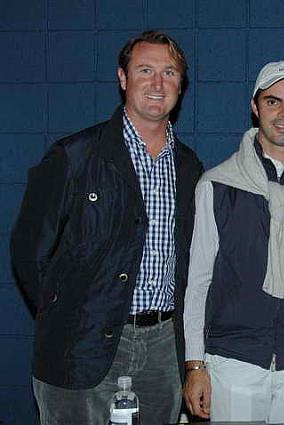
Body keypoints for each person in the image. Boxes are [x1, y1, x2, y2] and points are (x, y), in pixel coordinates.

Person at [10, 31, 203, 425]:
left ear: (180, 86)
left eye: (169, 73)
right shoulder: (74, 157)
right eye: (145, 70)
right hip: (79, 346)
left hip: (163, 349)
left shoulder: (189, 167)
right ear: (122, 78)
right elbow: (28, 251)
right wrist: (66, 316)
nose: (157, 83)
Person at [182, 60, 284, 423]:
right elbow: (198, 280)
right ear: (255, 107)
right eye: (274, 101)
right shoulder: (216, 186)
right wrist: (195, 363)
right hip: (232, 362)